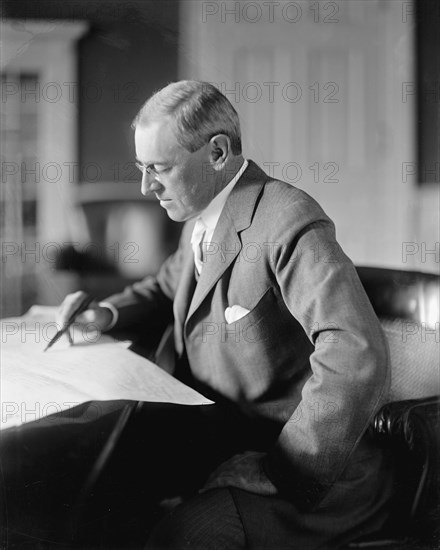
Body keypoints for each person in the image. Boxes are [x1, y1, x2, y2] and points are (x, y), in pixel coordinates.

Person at [58, 80, 393, 549]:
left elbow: (356, 351)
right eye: (141, 167)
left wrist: (279, 468)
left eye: (159, 168)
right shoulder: (200, 212)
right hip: (221, 443)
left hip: (308, 472)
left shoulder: (287, 219)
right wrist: (105, 315)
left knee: (179, 538)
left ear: (217, 152)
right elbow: (166, 287)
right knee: (90, 498)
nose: (145, 186)